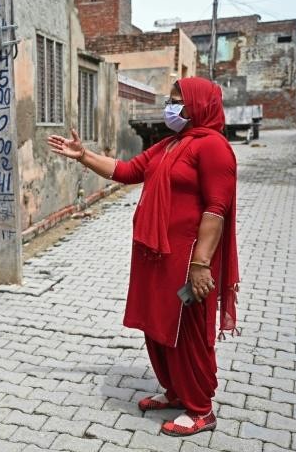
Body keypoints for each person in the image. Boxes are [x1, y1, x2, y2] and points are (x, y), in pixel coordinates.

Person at [47, 77, 239, 436]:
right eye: (170, 99)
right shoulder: (170, 145)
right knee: (159, 328)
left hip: (188, 262)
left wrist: (200, 265)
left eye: (178, 101)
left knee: (187, 333)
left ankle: (200, 409)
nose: (171, 106)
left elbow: (217, 209)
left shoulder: (213, 148)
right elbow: (128, 171)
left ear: (200, 105)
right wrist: (83, 155)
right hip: (157, 258)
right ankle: (175, 392)